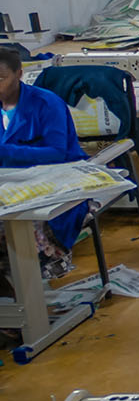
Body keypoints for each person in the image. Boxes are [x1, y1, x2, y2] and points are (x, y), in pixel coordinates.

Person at [0, 47, 90, 280]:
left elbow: (56, 153)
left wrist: (6, 151)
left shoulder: (46, 103)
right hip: (9, 181)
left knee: (24, 224)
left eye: (1, 78)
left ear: (19, 74)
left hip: (56, 178)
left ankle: (25, 285)